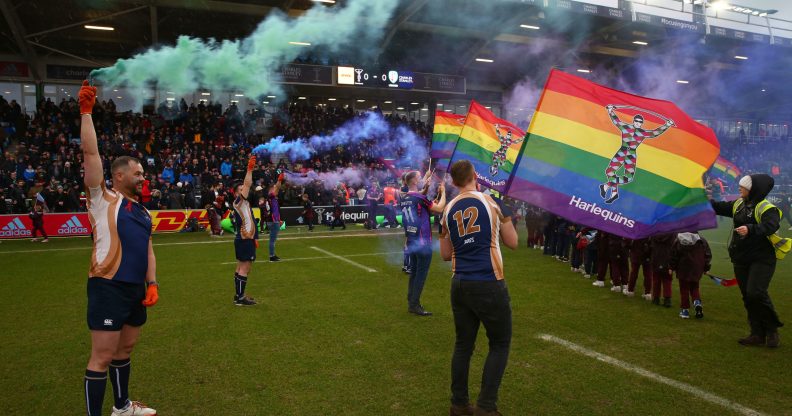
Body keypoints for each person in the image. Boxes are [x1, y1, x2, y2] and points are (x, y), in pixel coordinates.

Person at [79, 80, 159, 416]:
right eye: (138, 173)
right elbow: (91, 153)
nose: (143, 177)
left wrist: (152, 283)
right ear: (119, 175)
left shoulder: (141, 210)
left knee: (125, 349)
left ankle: (123, 406)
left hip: (134, 289)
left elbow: (149, 249)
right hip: (108, 286)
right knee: (102, 354)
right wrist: (86, 112)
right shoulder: (102, 198)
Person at [440, 160, 518, 416]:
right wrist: (507, 217)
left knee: (463, 345)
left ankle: (459, 404)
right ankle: (486, 406)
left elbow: (444, 254)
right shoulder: (492, 202)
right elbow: (513, 242)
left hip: (459, 282)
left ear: (453, 182)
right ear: (476, 176)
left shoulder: (448, 208)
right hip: (488, 280)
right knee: (499, 343)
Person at [710, 174, 783, 347]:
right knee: (747, 297)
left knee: (755, 292)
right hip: (741, 258)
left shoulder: (767, 208)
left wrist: (751, 229)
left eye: (743, 187)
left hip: (762, 258)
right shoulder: (738, 204)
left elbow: (771, 226)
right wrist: (698, 197)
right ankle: (757, 333)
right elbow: (718, 207)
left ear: (752, 190)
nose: (739, 188)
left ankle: (772, 330)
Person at [400, 169, 446, 316]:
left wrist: (426, 185)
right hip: (422, 241)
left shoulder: (405, 197)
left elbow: (419, 197)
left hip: (412, 240)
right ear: (413, 181)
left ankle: (411, 300)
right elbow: (439, 209)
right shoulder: (420, 198)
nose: (421, 178)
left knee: (413, 272)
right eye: (419, 177)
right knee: (421, 274)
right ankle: (414, 304)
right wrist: (443, 192)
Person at [231, 155, 259, 306]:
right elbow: (248, 184)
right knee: (245, 268)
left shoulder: (243, 203)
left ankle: (238, 295)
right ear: (236, 193)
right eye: (241, 190)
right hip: (244, 239)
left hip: (244, 238)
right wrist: (249, 169)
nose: (244, 190)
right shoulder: (239, 201)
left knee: (240, 267)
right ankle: (241, 298)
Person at [670, 232, 712, 319]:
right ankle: (697, 302)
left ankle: (685, 311)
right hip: (697, 268)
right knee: (695, 287)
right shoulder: (702, 240)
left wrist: (671, 267)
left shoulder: (679, 239)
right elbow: (707, 254)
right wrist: (706, 268)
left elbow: (674, 255)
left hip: (683, 268)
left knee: (684, 289)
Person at [650, 233, 676, 308]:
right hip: (668, 258)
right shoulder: (672, 234)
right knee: (667, 280)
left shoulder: (654, 232)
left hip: (656, 257)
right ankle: (667, 299)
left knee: (656, 279)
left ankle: (656, 298)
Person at [265, 171, 284, 261]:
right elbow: (277, 188)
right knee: (272, 240)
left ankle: (272, 255)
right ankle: (272, 256)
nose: (275, 189)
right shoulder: (270, 196)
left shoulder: (272, 197)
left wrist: (279, 219)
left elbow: (277, 188)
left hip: (274, 220)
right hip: (272, 221)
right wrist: (279, 180)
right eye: (273, 188)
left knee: (273, 239)